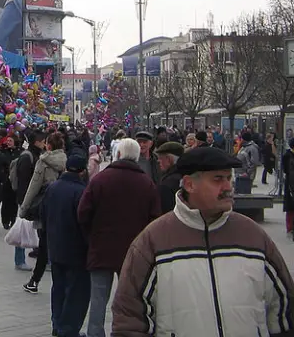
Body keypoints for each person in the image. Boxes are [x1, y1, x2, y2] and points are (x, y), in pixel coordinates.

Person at [112, 146, 294, 336]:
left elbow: (284, 308)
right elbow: (130, 318)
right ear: (190, 184)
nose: (227, 187)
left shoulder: (253, 236)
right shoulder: (153, 241)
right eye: (217, 179)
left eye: (228, 178)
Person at [77, 138, 161, 337]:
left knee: (98, 300)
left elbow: (82, 213)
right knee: (130, 300)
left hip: (101, 249)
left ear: (118, 154)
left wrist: (92, 235)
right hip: (133, 253)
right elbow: (155, 219)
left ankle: (95, 334)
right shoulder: (147, 184)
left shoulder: (100, 180)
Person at [42, 155, 90, 337]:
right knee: (76, 292)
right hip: (76, 251)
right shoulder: (82, 192)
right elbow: (85, 222)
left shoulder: (52, 188)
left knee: (58, 287)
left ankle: (57, 323)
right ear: (82, 171)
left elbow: (43, 213)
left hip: (55, 247)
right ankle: (68, 330)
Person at [20, 131, 67, 293]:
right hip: (65, 206)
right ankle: (63, 281)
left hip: (47, 207)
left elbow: (34, 186)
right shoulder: (67, 161)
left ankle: (34, 281)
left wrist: (24, 208)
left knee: (44, 245)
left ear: (48, 145)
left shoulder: (43, 162)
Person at [14, 131, 44, 269]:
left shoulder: (38, 155)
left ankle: (41, 257)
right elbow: (24, 181)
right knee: (23, 229)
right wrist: (25, 201)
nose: (44, 143)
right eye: (43, 141)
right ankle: (19, 260)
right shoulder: (27, 157)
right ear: (37, 141)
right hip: (26, 198)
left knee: (35, 229)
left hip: (33, 198)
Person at [155, 141, 184, 214]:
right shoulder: (187, 175)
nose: (158, 161)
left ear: (169, 159)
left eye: (160, 158)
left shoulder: (167, 183)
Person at [0, 135, 21, 230]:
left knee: (14, 202)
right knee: (5, 201)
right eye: (7, 140)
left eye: (10, 141)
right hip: (5, 180)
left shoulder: (19, 152)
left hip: (16, 180)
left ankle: (13, 220)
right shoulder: (3, 151)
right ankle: (5, 220)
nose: (8, 142)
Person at [284, 138, 294, 241]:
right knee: (291, 209)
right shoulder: (288, 156)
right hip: (291, 185)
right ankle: (290, 229)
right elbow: (288, 172)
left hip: (291, 184)